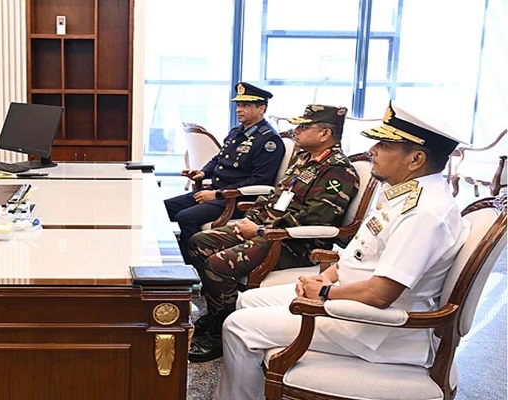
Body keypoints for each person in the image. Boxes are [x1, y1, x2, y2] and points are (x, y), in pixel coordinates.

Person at [216, 101, 470, 399]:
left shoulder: (424, 213)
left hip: (374, 327)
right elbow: (362, 254)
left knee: (238, 327)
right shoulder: (406, 192)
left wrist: (325, 293)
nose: (372, 150)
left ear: (415, 159)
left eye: (384, 145)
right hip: (350, 297)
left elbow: (381, 294)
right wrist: (326, 277)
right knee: (248, 300)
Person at [188, 104, 359, 363]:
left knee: (217, 264)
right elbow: (275, 196)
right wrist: (250, 220)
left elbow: (313, 219)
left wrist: (259, 230)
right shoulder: (304, 159)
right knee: (199, 242)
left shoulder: (338, 171)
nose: (296, 130)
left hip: (294, 245)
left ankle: (220, 331)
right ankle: (217, 315)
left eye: (304, 126)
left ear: (325, 134)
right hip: (266, 230)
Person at [165, 82, 285, 262]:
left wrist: (218, 194)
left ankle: (195, 268)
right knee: (164, 207)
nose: (239, 110)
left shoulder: (269, 140)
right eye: (238, 105)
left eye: (246, 105)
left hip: (237, 199)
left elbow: (260, 180)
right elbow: (219, 158)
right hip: (217, 192)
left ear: (262, 108)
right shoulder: (237, 132)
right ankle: (177, 258)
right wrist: (203, 173)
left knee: (186, 217)